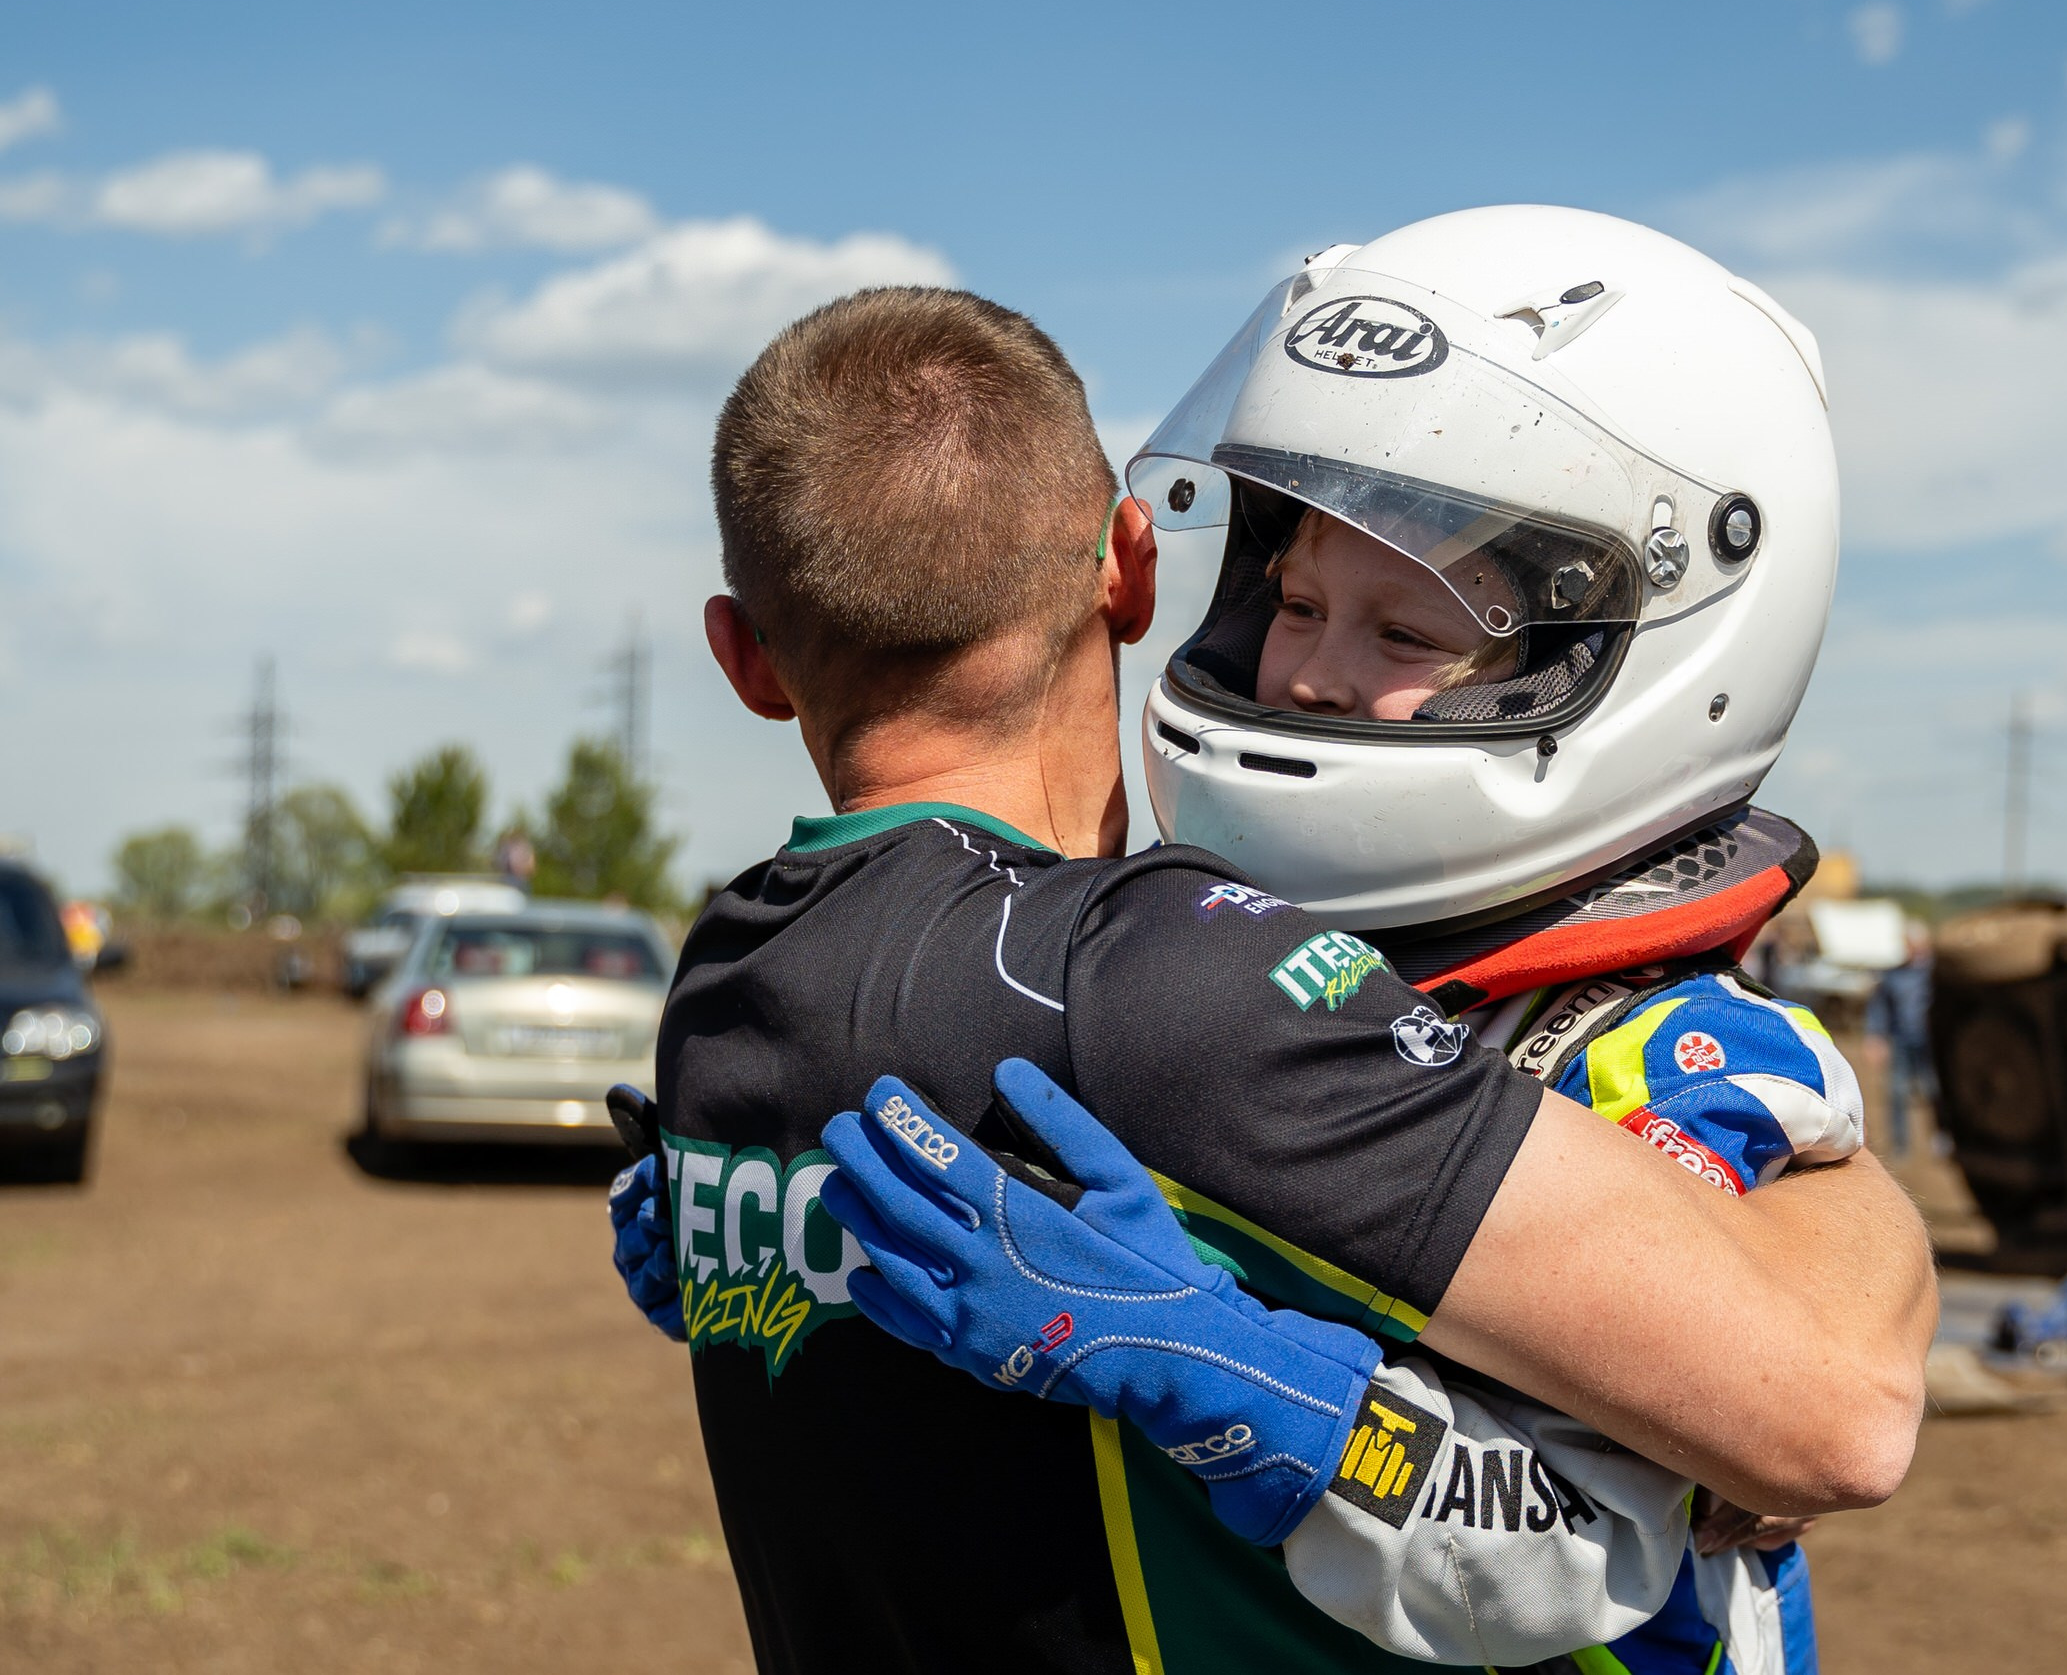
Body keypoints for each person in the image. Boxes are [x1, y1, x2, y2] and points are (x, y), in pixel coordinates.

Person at [613, 222, 1932, 1674]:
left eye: (1407, 633)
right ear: (1134, 568)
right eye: (1295, 602)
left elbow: (1736, 1455)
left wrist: (1243, 1371)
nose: (1306, 671)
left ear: (744, 655)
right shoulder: (1187, 967)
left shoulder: (743, 964)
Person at [1863, 920, 1936, 1158]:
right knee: (1897, 1091)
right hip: (1900, 1039)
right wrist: (1875, 1037)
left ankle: (1942, 1139)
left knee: (1933, 1090)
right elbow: (1879, 1009)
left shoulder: (1935, 973)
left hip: (1929, 1041)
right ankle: (1900, 1144)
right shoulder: (1893, 975)